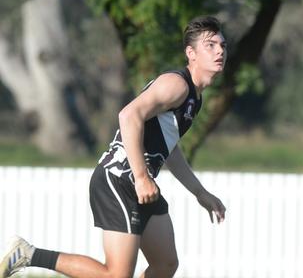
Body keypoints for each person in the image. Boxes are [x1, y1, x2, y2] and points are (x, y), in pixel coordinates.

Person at [3, 16, 228, 278]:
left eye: (222, 45)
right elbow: (128, 116)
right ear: (191, 53)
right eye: (210, 45)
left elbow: (170, 149)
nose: (220, 50)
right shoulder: (177, 84)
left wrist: (199, 192)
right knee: (117, 275)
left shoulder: (194, 97)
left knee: (165, 264)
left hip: (141, 185)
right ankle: (28, 254)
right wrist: (142, 177)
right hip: (119, 180)